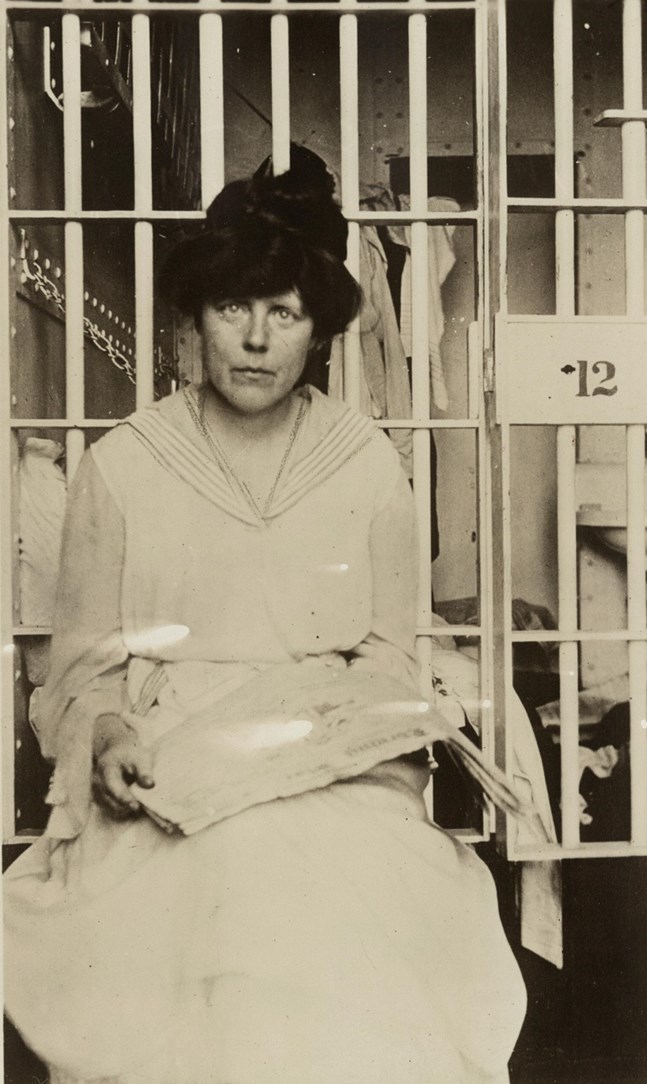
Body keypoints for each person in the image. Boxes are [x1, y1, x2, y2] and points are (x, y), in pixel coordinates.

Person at [4, 163, 526, 1084]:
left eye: (282, 313)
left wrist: (340, 730)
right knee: (225, 890)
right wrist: (109, 731)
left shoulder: (366, 464)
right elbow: (76, 673)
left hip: (329, 762)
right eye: (232, 308)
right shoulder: (124, 466)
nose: (254, 340)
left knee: (347, 914)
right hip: (172, 763)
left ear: (319, 328)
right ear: (195, 314)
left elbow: (391, 657)